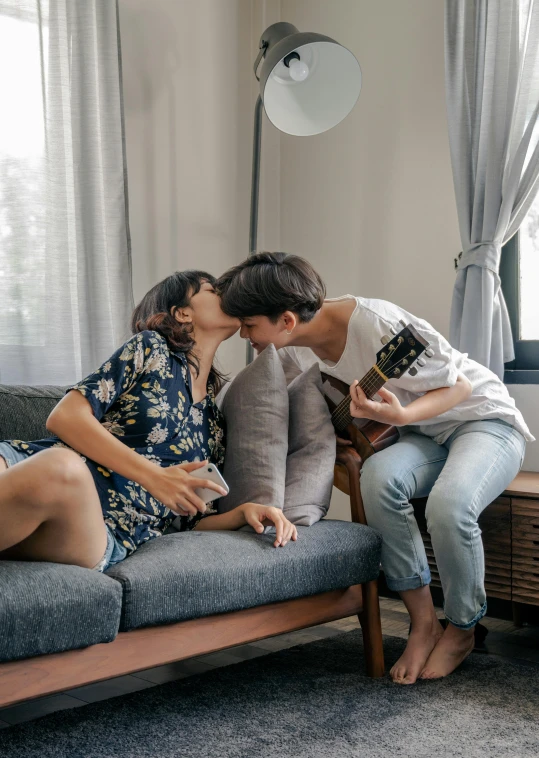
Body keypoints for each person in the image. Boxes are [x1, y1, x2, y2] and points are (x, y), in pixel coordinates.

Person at [216, 252, 533, 684]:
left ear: (287, 320)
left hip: (483, 420)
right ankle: (423, 622)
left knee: (450, 504)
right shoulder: (305, 349)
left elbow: (459, 386)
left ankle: (462, 627)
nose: (244, 335)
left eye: (249, 325)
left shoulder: (379, 325)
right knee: (378, 479)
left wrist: (400, 417)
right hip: (426, 435)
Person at [0, 270, 297, 574]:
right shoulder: (150, 349)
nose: (227, 295)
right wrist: (155, 476)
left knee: (62, 469)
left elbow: (187, 519)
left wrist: (241, 513)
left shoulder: (214, 424)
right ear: (183, 313)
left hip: (101, 530)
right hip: (28, 463)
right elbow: (65, 416)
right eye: (213, 289)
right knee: (52, 464)